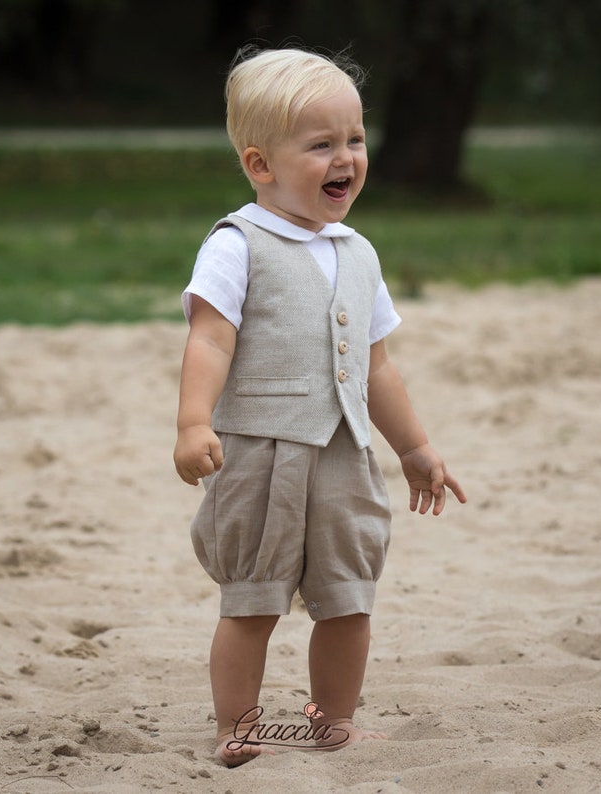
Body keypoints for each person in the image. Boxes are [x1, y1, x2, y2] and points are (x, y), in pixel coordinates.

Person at [173, 46, 466, 767]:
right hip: (260, 455)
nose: (347, 157)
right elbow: (210, 339)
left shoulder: (358, 253)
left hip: (343, 452)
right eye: (322, 144)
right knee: (253, 598)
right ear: (261, 165)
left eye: (356, 139)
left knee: (349, 597)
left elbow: (377, 366)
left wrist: (414, 447)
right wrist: (191, 422)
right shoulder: (237, 243)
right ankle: (235, 725)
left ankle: (330, 721)